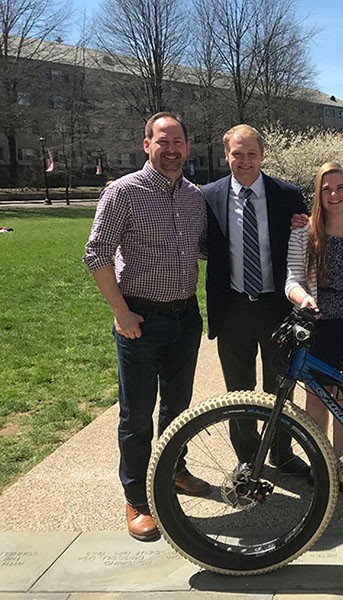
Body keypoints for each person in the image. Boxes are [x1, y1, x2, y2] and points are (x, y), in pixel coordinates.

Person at [83, 112, 210, 542]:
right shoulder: (123, 192)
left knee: (178, 409)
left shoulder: (194, 196)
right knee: (137, 415)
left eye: (178, 142)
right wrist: (121, 313)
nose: (171, 149)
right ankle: (136, 499)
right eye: (162, 141)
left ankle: (174, 470)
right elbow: (95, 254)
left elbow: (210, 248)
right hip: (140, 317)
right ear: (146, 145)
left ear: (187, 148)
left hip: (185, 316)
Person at [203, 124, 309, 476]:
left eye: (251, 154)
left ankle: (281, 452)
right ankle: (247, 459)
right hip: (231, 306)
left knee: (279, 387)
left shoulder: (287, 195)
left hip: (276, 306)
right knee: (238, 391)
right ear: (227, 155)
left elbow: (310, 234)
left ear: (262, 155)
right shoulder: (209, 196)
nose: (245, 161)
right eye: (237, 154)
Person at [286, 162, 343, 458]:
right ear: (318, 194)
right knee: (317, 395)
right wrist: (303, 299)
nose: (334, 194)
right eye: (326, 189)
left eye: (340, 187)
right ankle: (320, 460)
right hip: (320, 324)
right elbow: (293, 279)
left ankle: (338, 460)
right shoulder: (304, 232)